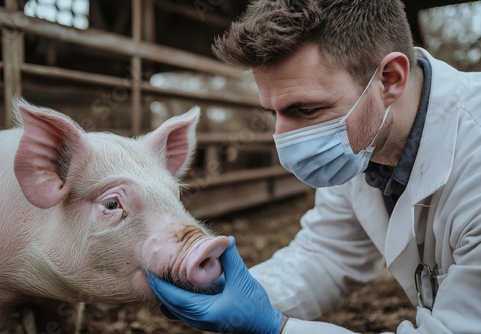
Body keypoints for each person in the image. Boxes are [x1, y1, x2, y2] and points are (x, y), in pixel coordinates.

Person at [147, 0, 481, 333]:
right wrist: (226, 289)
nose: (283, 139)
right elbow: (329, 256)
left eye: (306, 110)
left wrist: (276, 327)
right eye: (272, 113)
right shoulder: (363, 142)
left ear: (391, 79)